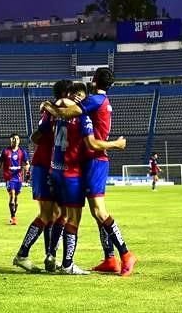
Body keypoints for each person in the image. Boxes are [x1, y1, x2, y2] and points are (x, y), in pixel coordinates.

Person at [42, 67, 137, 276]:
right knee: (94, 215)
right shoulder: (99, 102)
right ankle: (110, 258)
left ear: (93, 82)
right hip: (87, 162)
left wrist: (49, 106)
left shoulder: (95, 101)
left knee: (98, 211)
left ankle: (126, 254)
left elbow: (67, 112)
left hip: (96, 160)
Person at [12, 79, 68, 274]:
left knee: (57, 214)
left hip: (53, 167)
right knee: (50, 214)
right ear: (65, 94)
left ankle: (50, 256)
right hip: (44, 166)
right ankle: (24, 253)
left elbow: (36, 136)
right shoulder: (53, 113)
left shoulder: (57, 112)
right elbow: (37, 136)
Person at [0, 133, 30, 225]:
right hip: (9, 177)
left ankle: (13, 215)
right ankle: (13, 218)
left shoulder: (22, 151)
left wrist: (28, 172)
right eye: (13, 139)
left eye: (17, 139)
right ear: (10, 140)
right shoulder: (5, 151)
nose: (15, 140)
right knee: (12, 195)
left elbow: (27, 163)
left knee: (16, 198)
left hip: (19, 178)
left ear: (19, 140)